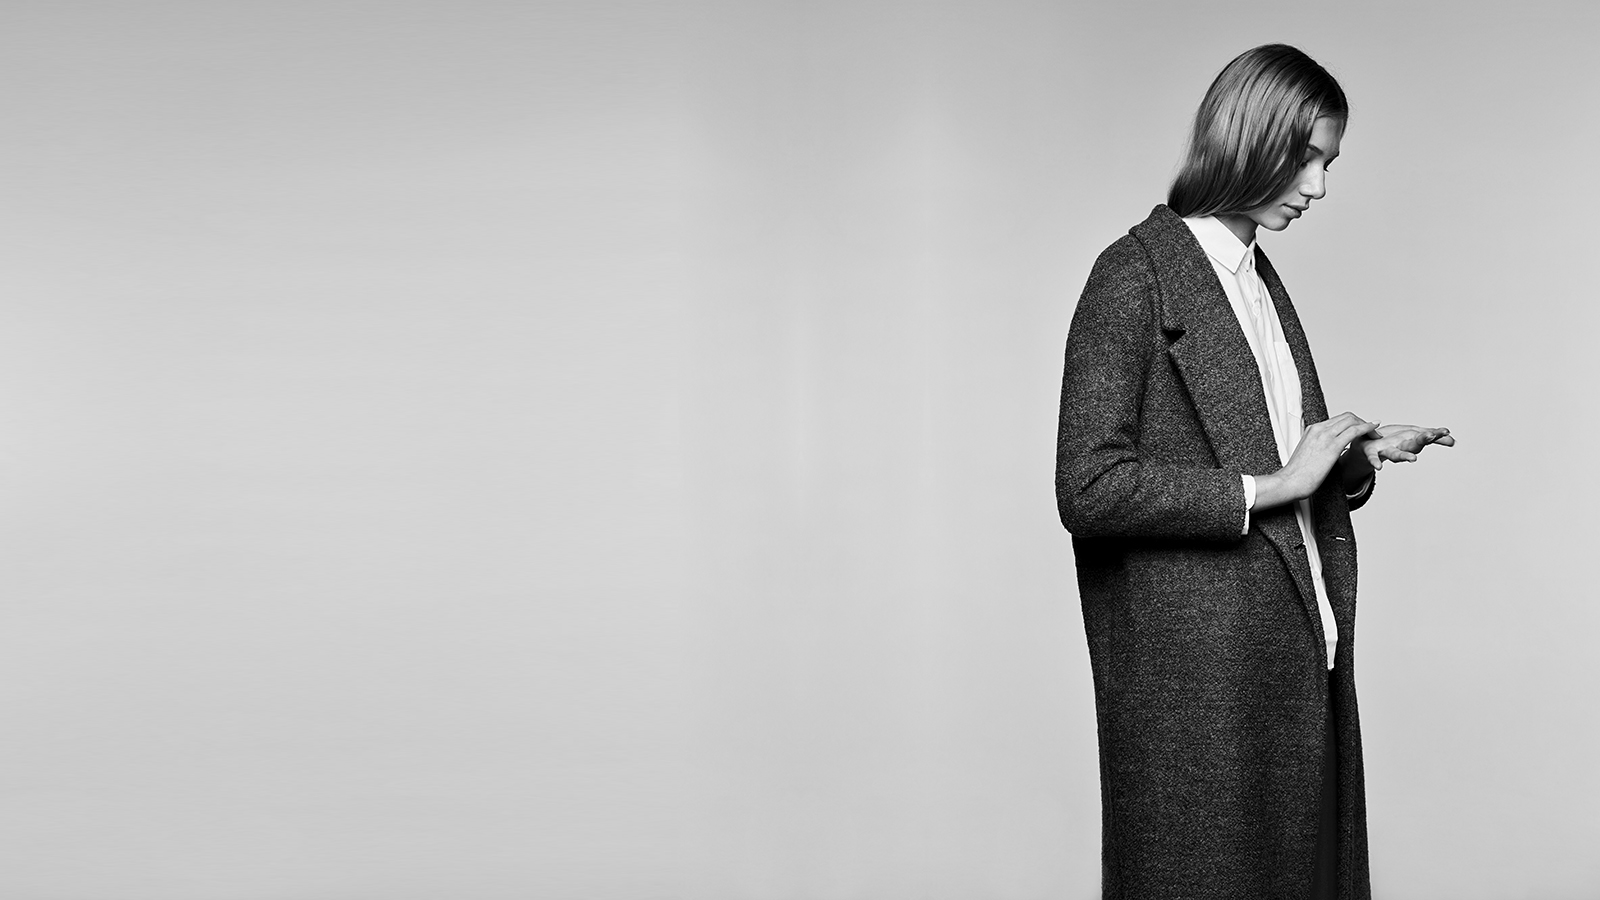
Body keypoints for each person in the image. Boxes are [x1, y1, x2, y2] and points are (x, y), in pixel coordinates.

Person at [1054, 44, 1453, 900]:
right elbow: (1087, 486)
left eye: (1327, 163)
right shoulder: (1133, 276)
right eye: (1305, 158)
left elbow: (1270, 457)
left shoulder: (1257, 281)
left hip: (1299, 662)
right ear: (1247, 139)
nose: (1318, 187)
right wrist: (1274, 486)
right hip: (1200, 696)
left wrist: (1348, 459)